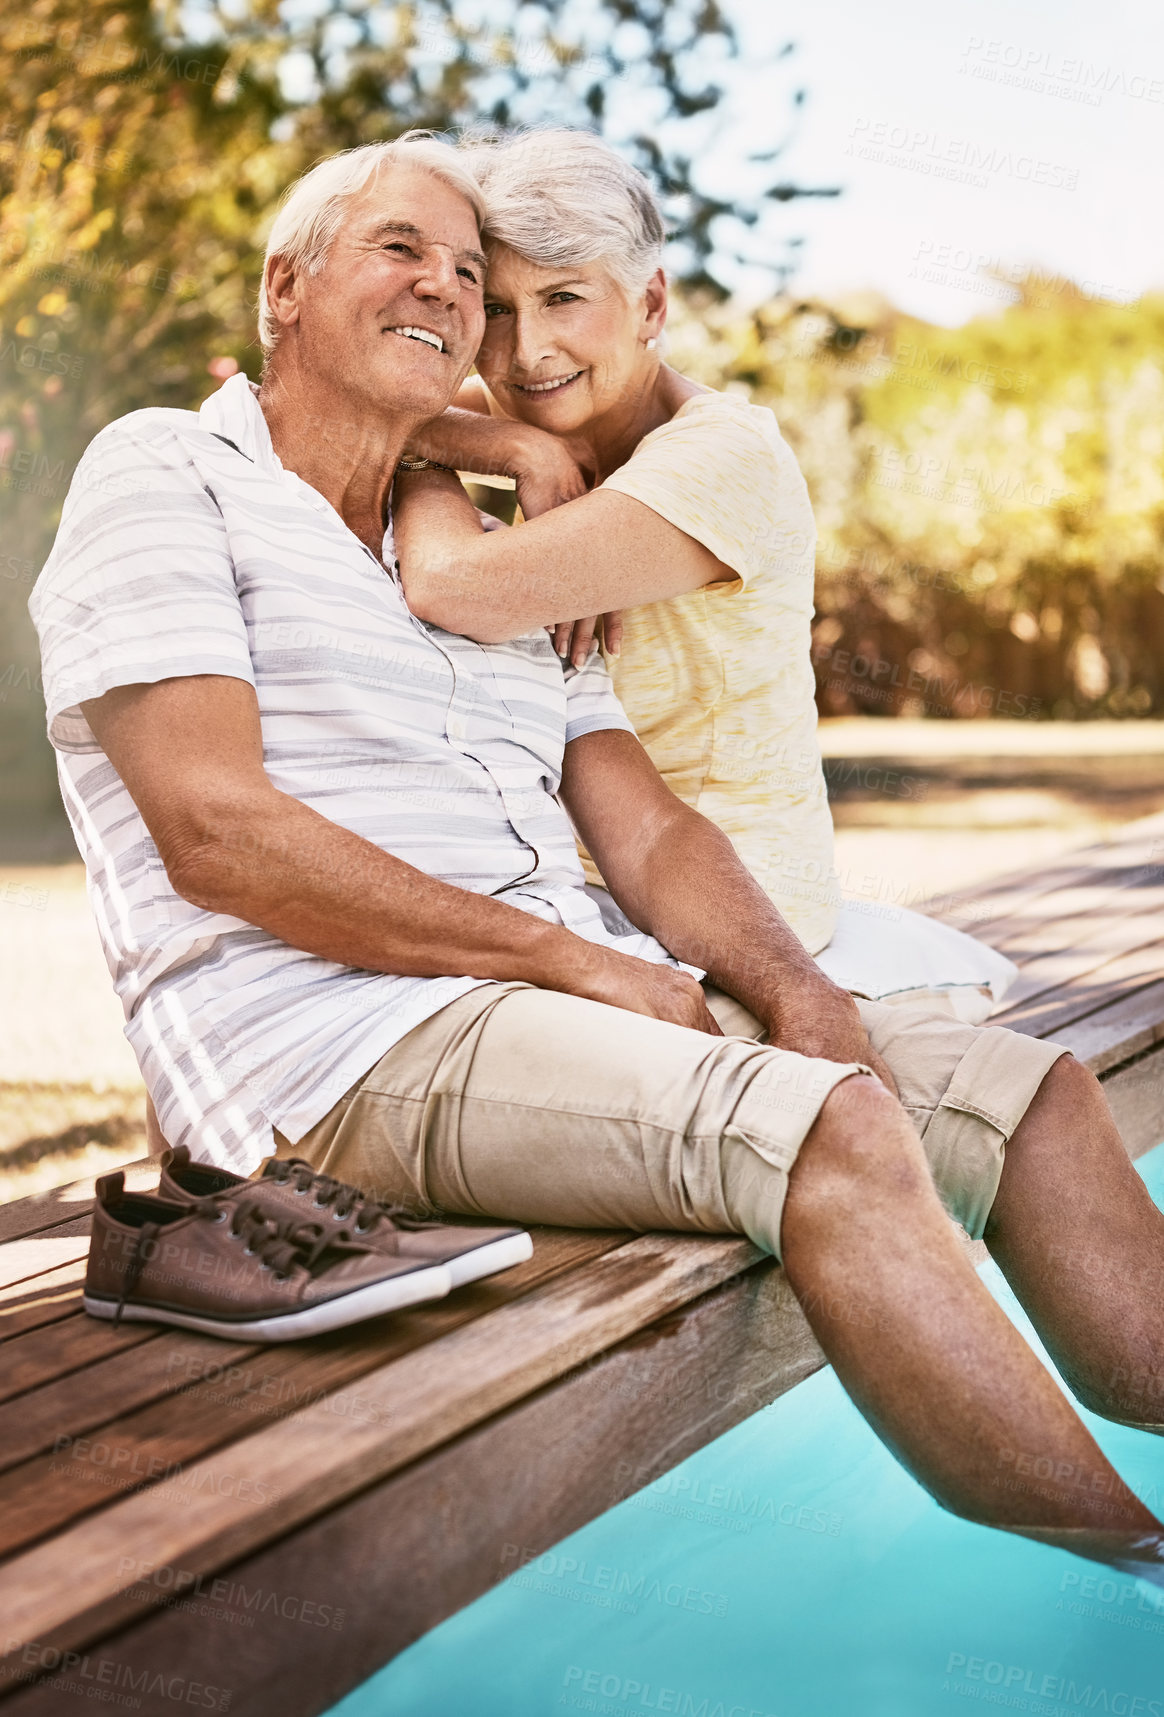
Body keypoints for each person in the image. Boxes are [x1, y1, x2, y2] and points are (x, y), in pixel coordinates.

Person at [29, 132, 1164, 1577]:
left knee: (1030, 1098)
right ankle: (1139, 1586)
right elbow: (215, 832)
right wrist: (572, 960)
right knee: (832, 1130)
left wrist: (797, 989)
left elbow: (647, 821)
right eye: (403, 250)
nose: (448, 288)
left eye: (469, 270)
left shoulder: (481, 553)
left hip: (562, 1008)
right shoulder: (167, 473)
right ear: (285, 285)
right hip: (340, 1049)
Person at [391, 128, 1012, 1019]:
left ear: (650, 304)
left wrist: (435, 456)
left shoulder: (728, 456)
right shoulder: (535, 413)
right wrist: (505, 442)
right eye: (496, 308)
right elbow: (337, 403)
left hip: (735, 922)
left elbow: (456, 587)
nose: (527, 351)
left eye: (566, 297)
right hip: (572, 897)